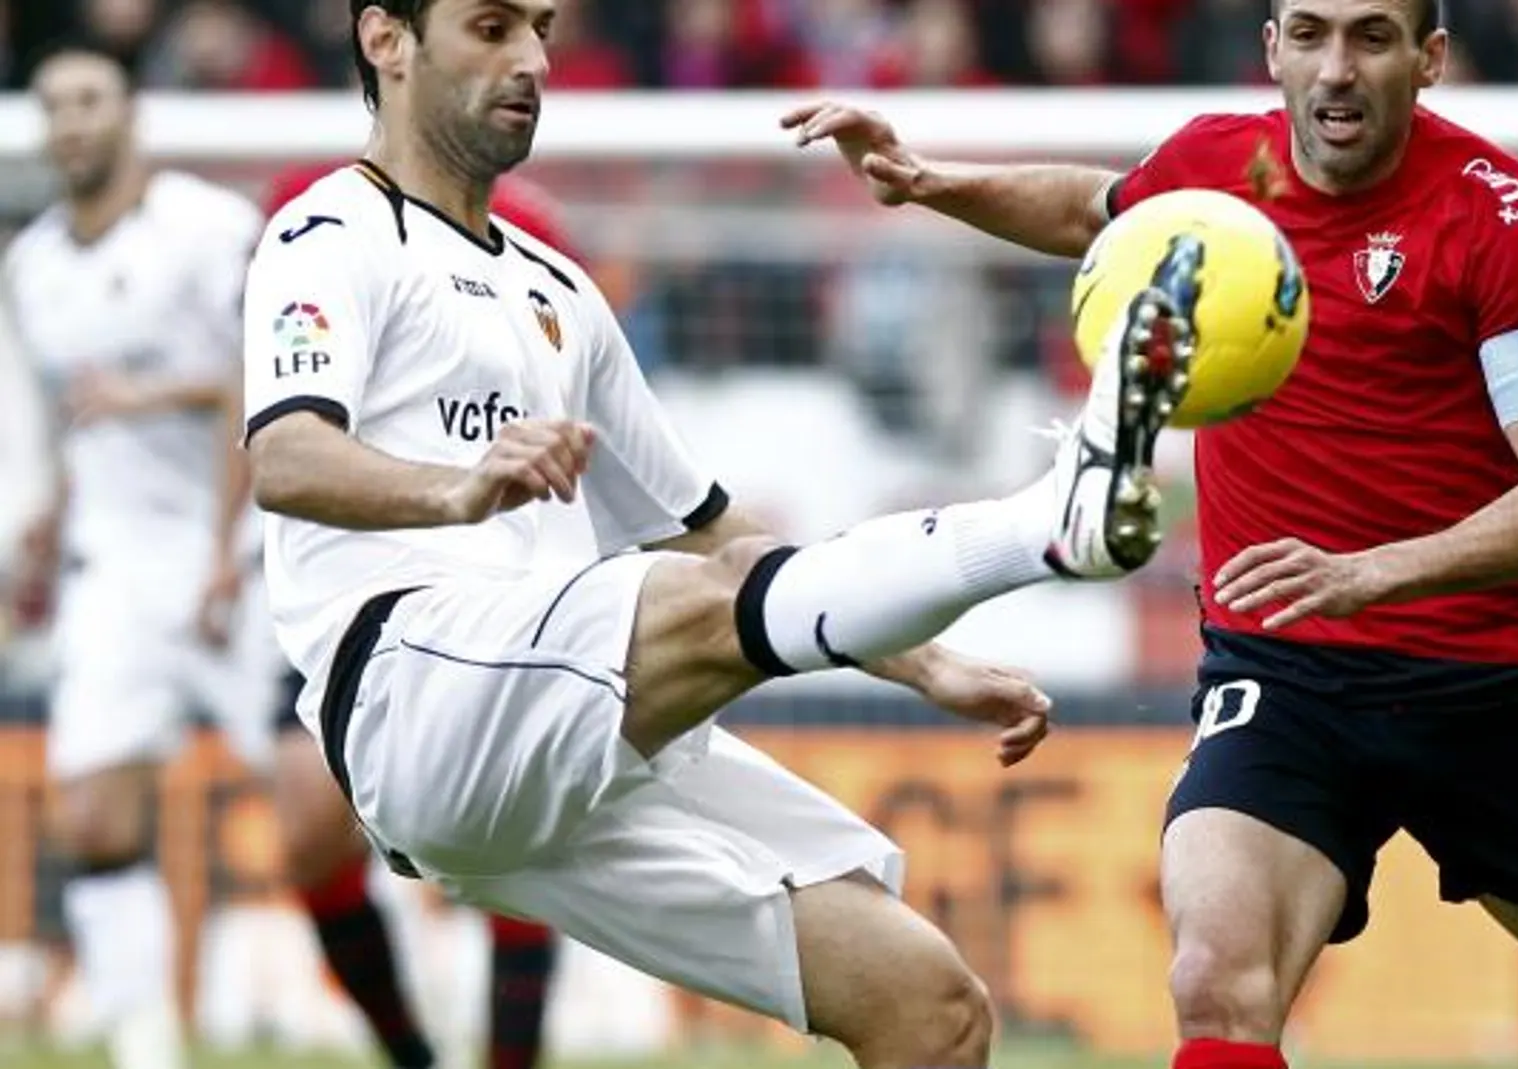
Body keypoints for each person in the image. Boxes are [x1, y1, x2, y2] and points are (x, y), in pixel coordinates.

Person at [784, 2, 1518, 1068]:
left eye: (1370, 37)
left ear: (1427, 59)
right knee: (1214, 980)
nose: (1335, 70)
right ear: (1271, 50)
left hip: (1494, 689)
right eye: (1309, 34)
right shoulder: (1217, 167)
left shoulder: (1502, 219)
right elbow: (1094, 211)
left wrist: (1369, 573)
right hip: (1284, 678)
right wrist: (930, 180)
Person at [241, 2, 1192, 1067]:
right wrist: (457, 490)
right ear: (386, 41)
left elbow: (703, 527)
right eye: (493, 26)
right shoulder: (325, 235)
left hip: (560, 732)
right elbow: (285, 459)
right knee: (688, 598)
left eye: (542, 29)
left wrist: (927, 667)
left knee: (928, 1004)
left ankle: (1039, 528)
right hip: (410, 698)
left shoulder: (558, 290)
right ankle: (1041, 525)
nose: (533, 61)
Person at [200, 163, 580, 1069]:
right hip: (343, 574)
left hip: (491, 569)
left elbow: (576, 384)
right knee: (303, 827)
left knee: (506, 833)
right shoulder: (307, 208)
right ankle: (413, 1056)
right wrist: (223, 545)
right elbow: (253, 391)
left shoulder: (526, 225)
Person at [3, 42, 280, 1069]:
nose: (73, 121)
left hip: (241, 561)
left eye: (90, 99)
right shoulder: (33, 268)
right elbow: (86, 417)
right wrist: (53, 514)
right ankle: (144, 1038)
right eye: (55, 105)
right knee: (93, 810)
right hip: (114, 566)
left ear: (134, 115)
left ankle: (425, 1007)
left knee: (329, 809)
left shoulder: (212, 231)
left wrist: (218, 548)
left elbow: (264, 386)